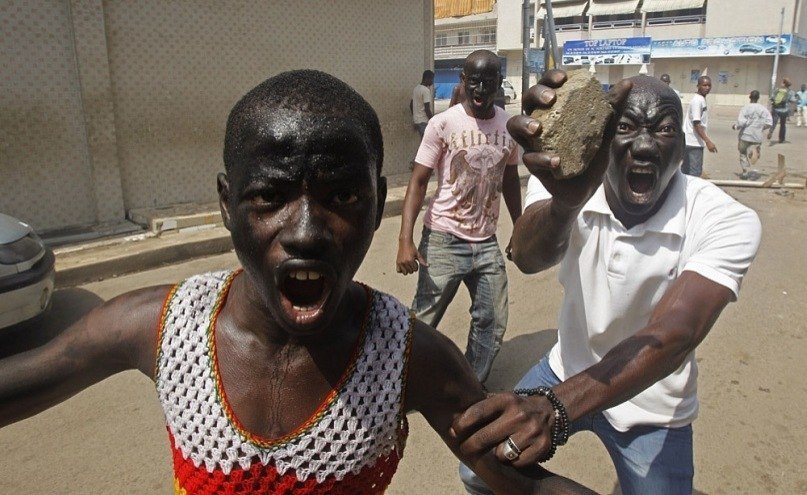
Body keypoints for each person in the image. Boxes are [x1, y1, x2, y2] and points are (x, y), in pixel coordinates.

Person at [0, 70, 594, 495]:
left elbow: (526, 486)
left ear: (375, 202)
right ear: (228, 205)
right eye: (269, 196)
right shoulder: (158, 327)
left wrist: (565, 202)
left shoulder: (408, 357)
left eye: (342, 195)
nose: (307, 231)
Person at [452, 71, 761, 495]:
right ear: (600, 137)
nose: (646, 146)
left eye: (665, 128)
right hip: (566, 368)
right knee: (478, 471)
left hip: (654, 400)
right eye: (626, 128)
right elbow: (526, 258)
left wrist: (555, 408)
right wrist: (565, 203)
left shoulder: (724, 218)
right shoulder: (571, 185)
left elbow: (675, 333)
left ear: (683, 141)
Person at [396, 49, 522, 384]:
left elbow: (510, 179)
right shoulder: (443, 123)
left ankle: (470, 382)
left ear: (498, 83)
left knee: (492, 320)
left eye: (489, 81)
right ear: (463, 81)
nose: (481, 89)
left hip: (485, 242)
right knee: (423, 320)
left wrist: (520, 226)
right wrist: (404, 239)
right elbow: (419, 181)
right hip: (443, 239)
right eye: (474, 81)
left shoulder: (509, 126)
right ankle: (398, 383)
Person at [682, 75, 717, 177]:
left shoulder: (701, 99)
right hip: (694, 143)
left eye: (709, 85)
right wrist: (708, 141)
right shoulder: (698, 101)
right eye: (704, 85)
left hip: (690, 141)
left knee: (686, 172)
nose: (707, 88)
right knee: (694, 173)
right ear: (698, 86)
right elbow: (696, 123)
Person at [733, 90, 772, 179]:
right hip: (757, 136)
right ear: (758, 98)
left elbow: (741, 122)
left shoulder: (745, 108)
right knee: (753, 150)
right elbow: (769, 122)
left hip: (745, 135)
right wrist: (761, 127)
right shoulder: (763, 109)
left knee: (742, 153)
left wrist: (735, 126)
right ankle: (753, 152)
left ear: (750, 97)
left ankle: (745, 172)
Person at [768, 77, 796, 143]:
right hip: (785, 109)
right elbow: (792, 100)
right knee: (783, 124)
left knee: (774, 122)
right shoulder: (791, 92)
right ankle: (781, 138)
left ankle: (771, 131)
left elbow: (772, 98)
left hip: (776, 108)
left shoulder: (777, 90)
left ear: (783, 83)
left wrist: (772, 104)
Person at [412, 69, 435, 140]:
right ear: (427, 78)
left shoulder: (416, 89)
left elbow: (410, 105)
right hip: (424, 122)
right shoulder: (426, 90)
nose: (432, 81)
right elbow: (427, 109)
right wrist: (433, 121)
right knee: (428, 144)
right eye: (432, 79)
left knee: (424, 143)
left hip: (418, 122)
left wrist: (415, 118)